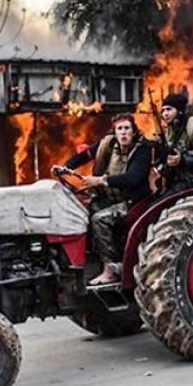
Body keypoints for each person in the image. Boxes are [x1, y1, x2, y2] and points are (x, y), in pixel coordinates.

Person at [53, 113, 151, 285]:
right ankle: (83, 261)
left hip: (131, 202)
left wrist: (101, 180)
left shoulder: (142, 150)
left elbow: (132, 178)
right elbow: (85, 155)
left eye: (127, 128)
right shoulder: (108, 144)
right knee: (81, 212)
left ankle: (111, 269)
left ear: (134, 131)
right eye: (120, 129)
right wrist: (65, 167)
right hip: (110, 198)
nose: (123, 133)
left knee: (99, 220)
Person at [157, 93, 193, 196]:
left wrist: (183, 160)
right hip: (174, 183)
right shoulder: (169, 132)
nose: (165, 113)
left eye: (169, 109)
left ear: (179, 110)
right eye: (163, 110)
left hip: (192, 183)